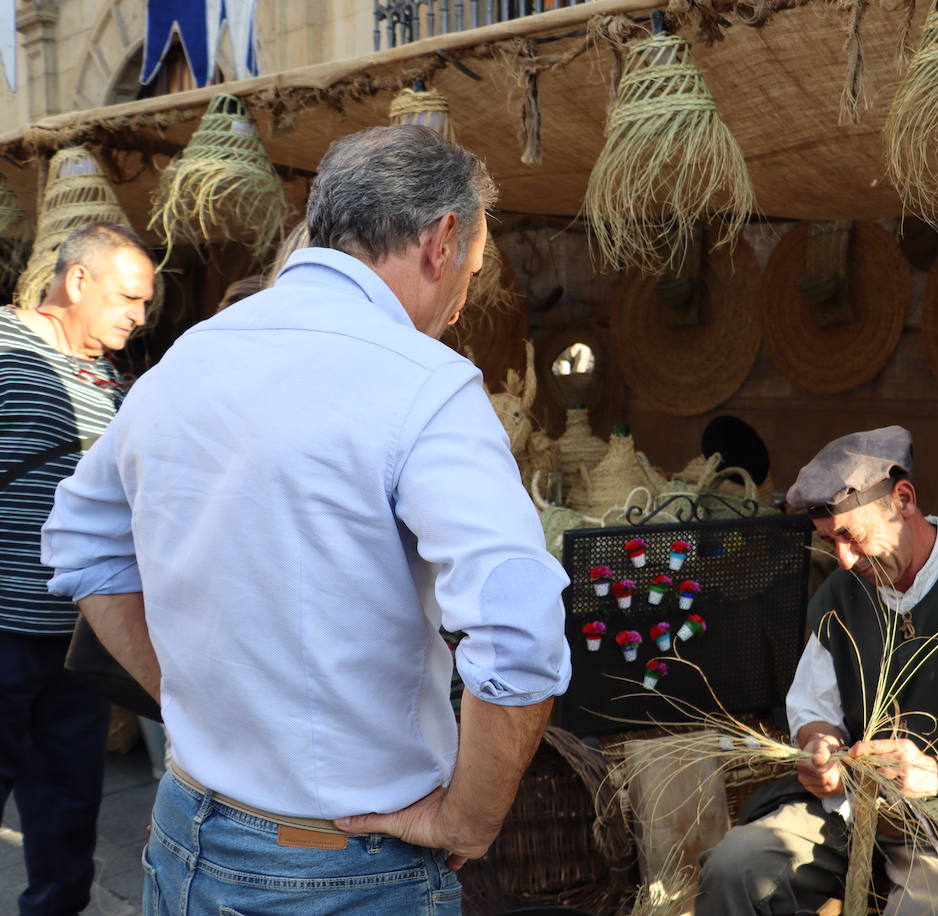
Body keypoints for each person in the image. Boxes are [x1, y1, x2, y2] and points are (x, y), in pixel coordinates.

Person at [41, 125, 571, 914]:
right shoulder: (426, 383)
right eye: (474, 269)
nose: (464, 298)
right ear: (442, 241)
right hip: (342, 870)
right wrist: (470, 817)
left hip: (185, 830)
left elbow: (82, 542)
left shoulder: (188, 357)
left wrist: (186, 696)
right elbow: (521, 631)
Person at [696, 426, 938, 916]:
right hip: (851, 807)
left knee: (928, 905)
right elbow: (815, 711)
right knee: (734, 868)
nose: (845, 561)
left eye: (851, 535)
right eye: (831, 542)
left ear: (903, 500)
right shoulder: (836, 598)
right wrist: (820, 749)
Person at [0, 222, 154, 915]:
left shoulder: (109, 382)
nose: (139, 315)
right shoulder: (4, 345)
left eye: (145, 303)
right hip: (1, 629)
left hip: (77, 643)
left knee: (67, 820)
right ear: (78, 280)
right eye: (128, 297)